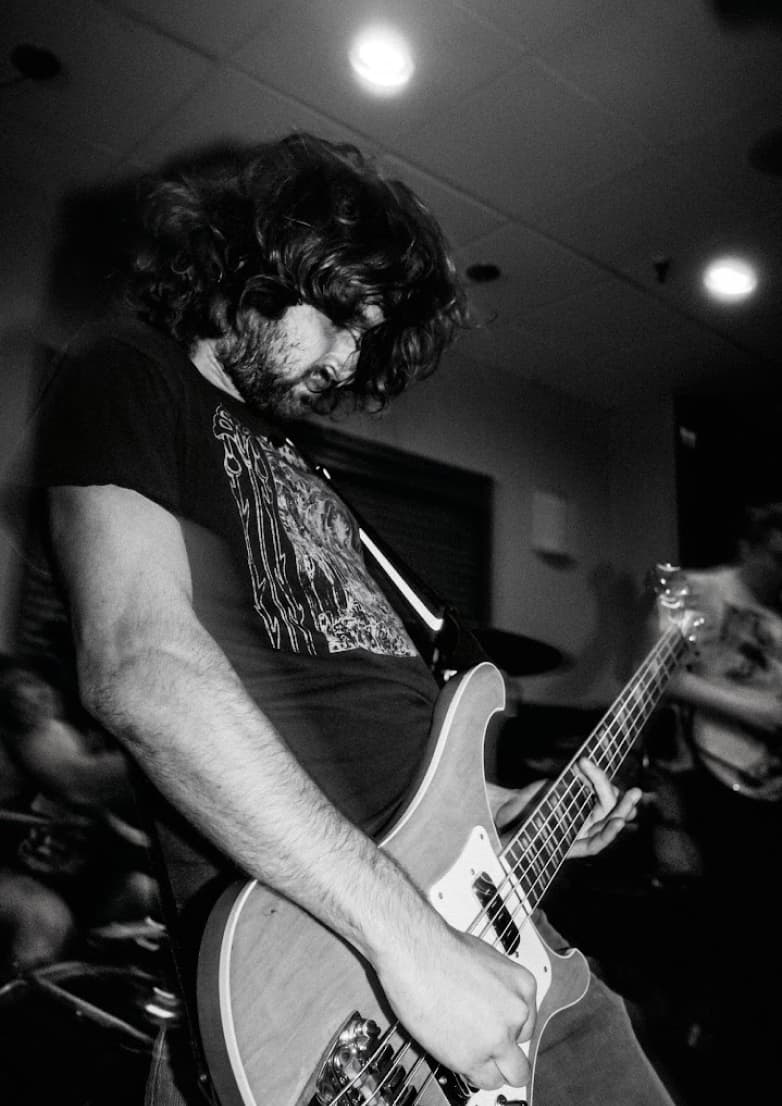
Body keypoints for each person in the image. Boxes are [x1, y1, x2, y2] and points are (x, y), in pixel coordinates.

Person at [13, 132, 672, 1105]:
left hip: (510, 959)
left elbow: (408, 764)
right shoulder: (131, 370)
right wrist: (408, 941)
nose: (349, 358)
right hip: (330, 986)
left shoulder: (324, 490)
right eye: (337, 317)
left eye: (369, 336)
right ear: (253, 267)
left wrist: (531, 820)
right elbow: (142, 664)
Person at [663, 501, 782, 1096]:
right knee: (724, 928)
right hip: (709, 777)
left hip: (771, 788)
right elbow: (662, 677)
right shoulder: (698, 591)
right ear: (755, 543)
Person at [0, 654, 157, 978]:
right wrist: (165, 757)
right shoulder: (24, 707)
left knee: (144, 892)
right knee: (44, 917)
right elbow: (80, 782)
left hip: (71, 873)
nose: (33, 701)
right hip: (15, 868)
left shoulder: (72, 703)